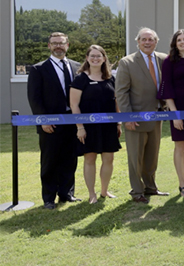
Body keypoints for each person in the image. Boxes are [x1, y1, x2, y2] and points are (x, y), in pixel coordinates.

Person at [27, 32, 81, 209]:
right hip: (50, 123)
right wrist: (43, 120)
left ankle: (67, 194)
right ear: (49, 45)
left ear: (68, 45)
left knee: (70, 158)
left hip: (72, 122)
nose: (58, 46)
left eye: (62, 43)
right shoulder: (38, 69)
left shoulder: (77, 67)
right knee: (50, 160)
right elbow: (35, 99)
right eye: (55, 43)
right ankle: (49, 198)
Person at [116, 27, 169, 203]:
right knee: (135, 157)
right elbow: (121, 92)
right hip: (136, 119)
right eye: (144, 39)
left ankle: (151, 187)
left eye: (151, 39)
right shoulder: (127, 62)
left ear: (156, 41)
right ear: (137, 42)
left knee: (152, 156)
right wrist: (128, 118)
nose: (147, 42)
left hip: (157, 117)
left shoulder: (163, 59)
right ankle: (137, 191)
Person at [71, 45, 122, 204]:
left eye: (98, 56)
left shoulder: (111, 78)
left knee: (108, 159)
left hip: (108, 126)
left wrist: (118, 123)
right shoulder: (80, 79)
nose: (95, 58)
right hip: (88, 128)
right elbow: (74, 105)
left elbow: (117, 102)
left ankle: (104, 191)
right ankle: (91, 193)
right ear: (87, 58)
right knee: (90, 159)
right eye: (92, 56)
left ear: (104, 58)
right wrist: (80, 127)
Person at [158, 29, 184, 197]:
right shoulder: (169, 61)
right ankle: (182, 185)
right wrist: (175, 114)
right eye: (179, 40)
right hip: (178, 108)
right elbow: (166, 88)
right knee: (180, 146)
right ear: (175, 44)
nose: (182, 42)